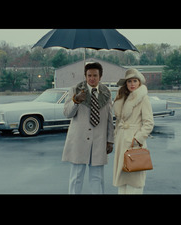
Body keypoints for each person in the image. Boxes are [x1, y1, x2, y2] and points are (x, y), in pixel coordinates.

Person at [62, 62, 114, 194]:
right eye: (89, 75)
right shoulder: (75, 90)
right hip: (79, 141)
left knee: (97, 178)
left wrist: (110, 140)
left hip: (98, 141)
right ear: (85, 76)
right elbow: (67, 113)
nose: (92, 78)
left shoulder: (106, 93)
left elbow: (109, 118)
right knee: (76, 177)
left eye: (95, 75)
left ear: (100, 76)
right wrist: (76, 101)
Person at [112, 68, 154, 194]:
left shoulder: (143, 99)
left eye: (135, 81)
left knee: (135, 178)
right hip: (121, 142)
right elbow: (119, 121)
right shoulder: (122, 98)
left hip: (134, 143)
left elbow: (149, 122)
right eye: (129, 81)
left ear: (139, 83)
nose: (132, 84)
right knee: (123, 178)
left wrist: (138, 139)